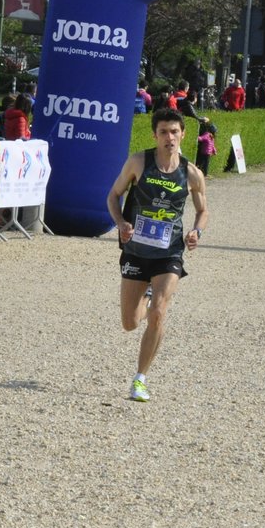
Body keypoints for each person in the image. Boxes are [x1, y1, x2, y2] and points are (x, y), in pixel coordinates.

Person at [105, 106, 208, 403]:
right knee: (129, 323)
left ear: (183, 135)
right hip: (136, 251)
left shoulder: (191, 173)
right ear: (155, 135)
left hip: (169, 252)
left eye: (175, 132)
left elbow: (203, 211)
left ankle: (140, 379)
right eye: (163, 132)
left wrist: (196, 232)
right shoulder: (139, 162)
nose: (169, 138)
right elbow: (113, 195)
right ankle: (147, 296)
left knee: (159, 313)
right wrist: (121, 223)